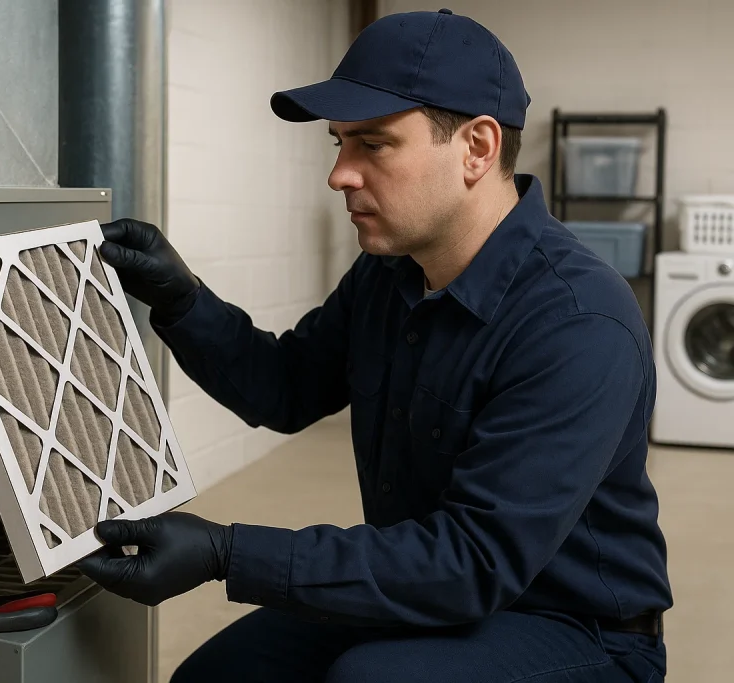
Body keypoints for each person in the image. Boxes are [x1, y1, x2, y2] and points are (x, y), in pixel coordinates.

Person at [76, 8, 672, 682]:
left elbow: (474, 561)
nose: (341, 176)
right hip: (427, 589)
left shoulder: (576, 320)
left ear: (476, 148)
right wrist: (182, 297)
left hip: (576, 627)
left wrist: (226, 552)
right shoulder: (390, 274)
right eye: (339, 145)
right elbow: (287, 385)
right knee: (216, 676)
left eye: (374, 144)